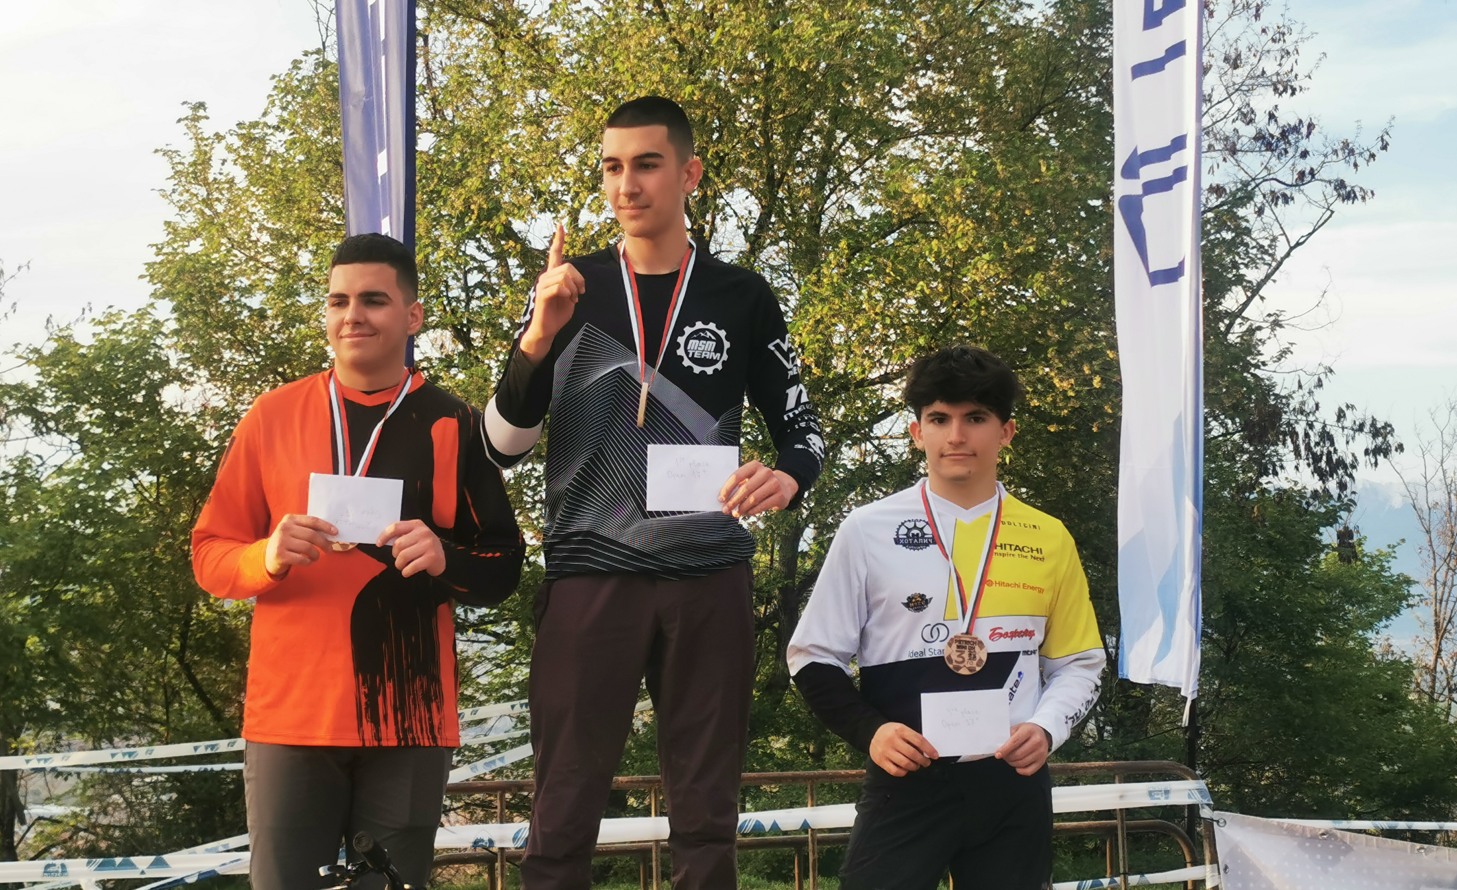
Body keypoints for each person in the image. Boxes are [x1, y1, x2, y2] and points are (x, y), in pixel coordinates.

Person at [482, 96, 824, 888]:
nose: (625, 185)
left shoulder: (741, 294)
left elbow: (803, 432)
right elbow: (501, 445)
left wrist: (786, 477)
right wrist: (539, 333)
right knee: (562, 809)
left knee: (706, 817)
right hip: (590, 571)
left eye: (646, 164)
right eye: (611, 167)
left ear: (688, 173)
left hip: (707, 573)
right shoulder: (569, 287)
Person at [192, 233, 525, 890]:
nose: (353, 316)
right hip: (292, 718)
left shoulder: (455, 423)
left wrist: (445, 557)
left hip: (410, 719)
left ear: (412, 316)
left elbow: (503, 566)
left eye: (373, 300)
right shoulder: (272, 416)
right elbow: (209, 556)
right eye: (338, 301)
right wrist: (267, 556)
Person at [787, 345, 1104, 890]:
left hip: (1012, 782)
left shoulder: (1049, 537)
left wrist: (1047, 728)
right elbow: (812, 657)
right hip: (908, 781)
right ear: (917, 432)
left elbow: (1080, 663)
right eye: (939, 419)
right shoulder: (866, 530)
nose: (956, 436)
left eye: (975, 418)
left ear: (1006, 432)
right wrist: (872, 732)